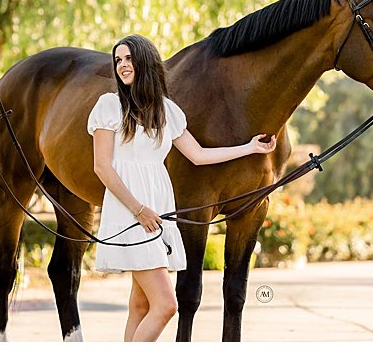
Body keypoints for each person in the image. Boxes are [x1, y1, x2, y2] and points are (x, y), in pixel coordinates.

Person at [89, 34, 276, 341]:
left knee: (140, 304)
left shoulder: (166, 111)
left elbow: (199, 155)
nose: (122, 65)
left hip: (157, 212)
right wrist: (138, 210)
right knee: (165, 305)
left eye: (128, 59)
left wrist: (249, 149)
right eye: (118, 60)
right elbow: (102, 167)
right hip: (131, 211)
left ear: (146, 62)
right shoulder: (109, 106)